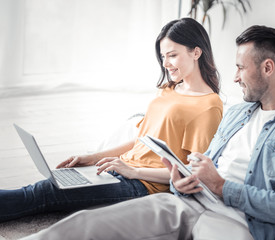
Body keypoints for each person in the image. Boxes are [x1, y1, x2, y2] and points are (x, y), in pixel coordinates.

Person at [21, 25, 275, 240]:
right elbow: (203, 167)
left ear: (267, 68)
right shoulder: (237, 113)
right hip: (186, 201)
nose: (234, 78)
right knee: (81, 226)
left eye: (240, 68)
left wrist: (221, 187)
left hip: (240, 222)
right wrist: (182, 178)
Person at [0, 18, 223, 222]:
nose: (165, 64)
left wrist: (133, 172)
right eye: (163, 56)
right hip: (118, 169)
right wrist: (92, 158)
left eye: (172, 55)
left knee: (44, 194)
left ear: (196, 52)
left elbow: (193, 173)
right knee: (48, 184)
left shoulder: (208, 106)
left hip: (142, 185)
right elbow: (143, 140)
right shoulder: (169, 89)